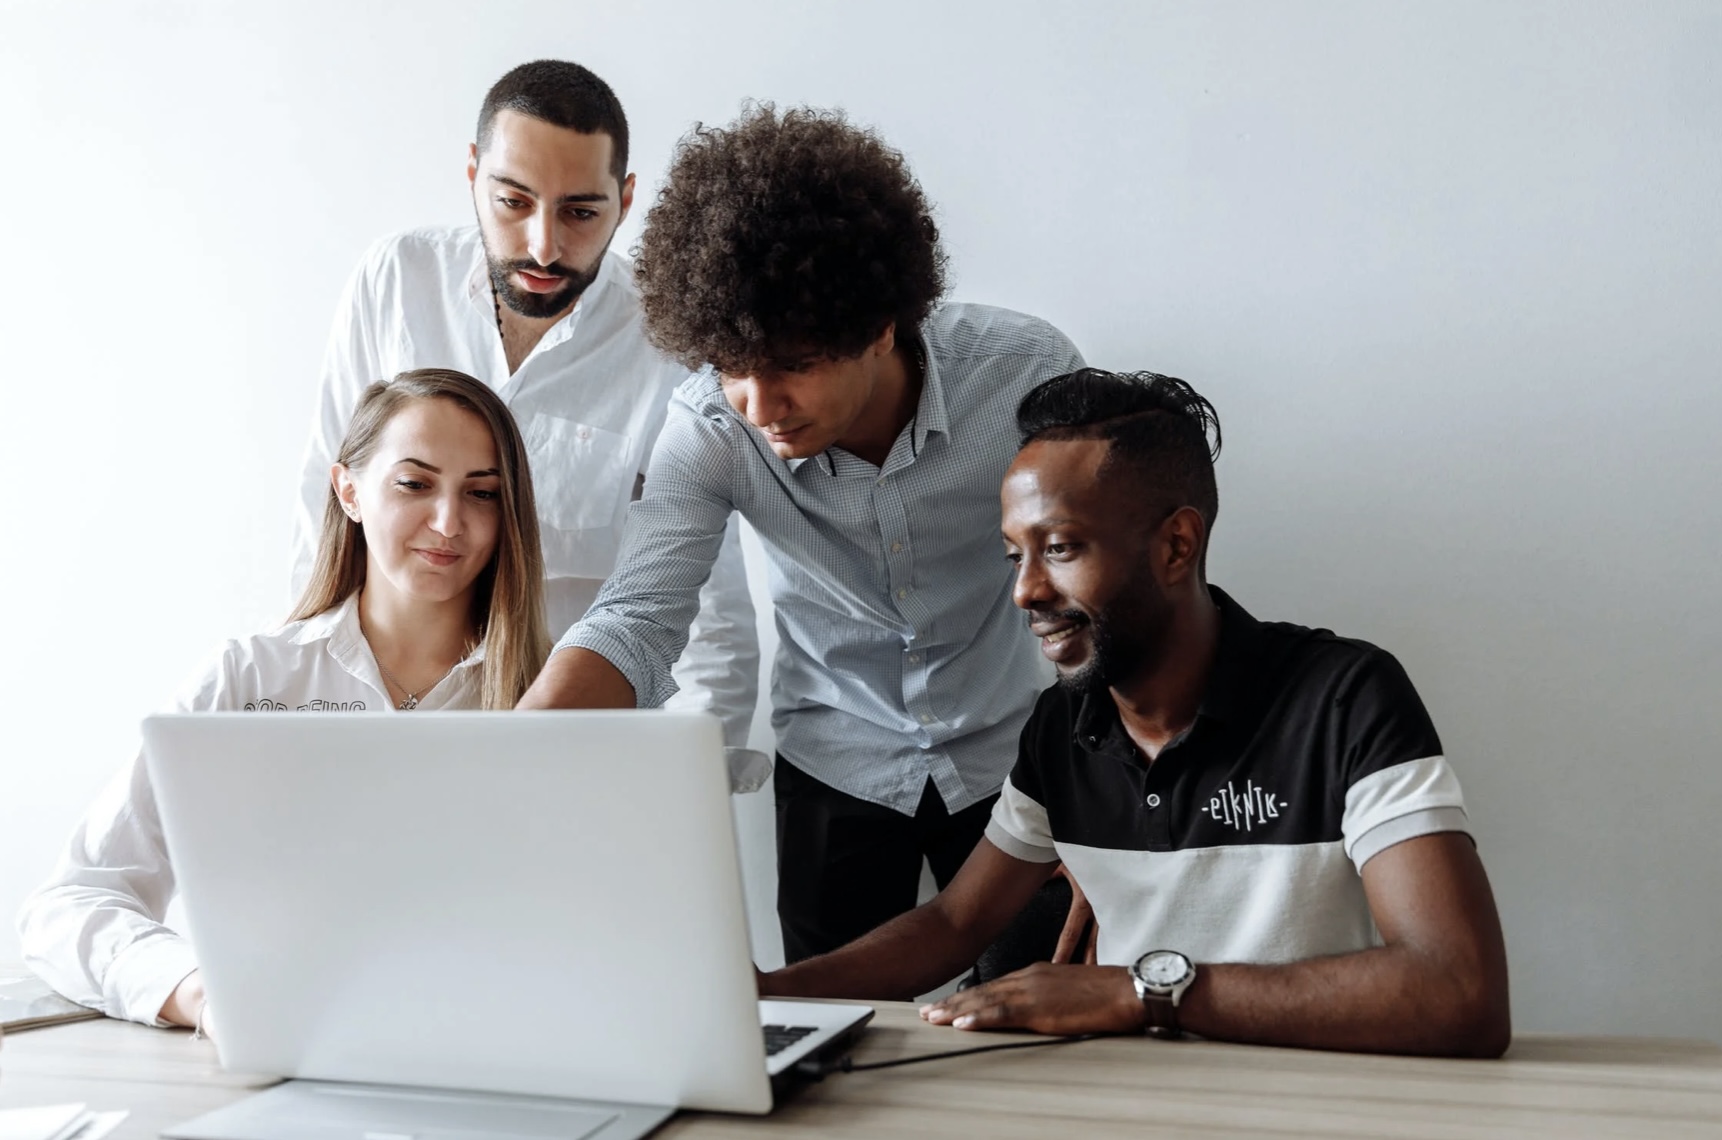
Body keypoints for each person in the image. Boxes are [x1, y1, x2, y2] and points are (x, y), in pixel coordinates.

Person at [758, 369, 1513, 1058]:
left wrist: (1138, 991)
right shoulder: (1060, 728)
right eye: (1013, 555)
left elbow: (1459, 993)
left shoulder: (1346, 698)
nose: (1024, 591)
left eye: (1059, 548)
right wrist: (759, 996)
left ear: (1177, 545)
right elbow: (953, 926)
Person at [518, 104, 1087, 977]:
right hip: (837, 765)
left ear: (879, 324)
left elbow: (1107, 590)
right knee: (832, 1050)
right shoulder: (711, 428)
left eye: (794, 363)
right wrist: (505, 770)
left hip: (1020, 756)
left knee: (1035, 1039)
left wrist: (1120, 804)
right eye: (732, 366)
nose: (759, 403)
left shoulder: (1025, 376)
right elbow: (636, 617)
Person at [20, 369, 548, 1031]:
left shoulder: (551, 697)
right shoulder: (246, 679)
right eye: (414, 483)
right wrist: (201, 996)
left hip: (492, 1043)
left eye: (483, 493)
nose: (448, 521)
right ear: (348, 491)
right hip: (277, 1052)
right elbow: (69, 904)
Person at [291, 59, 762, 787]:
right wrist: (298, 719)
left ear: (626, 199)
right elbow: (324, 518)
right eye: (513, 202)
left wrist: (689, 785)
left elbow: (705, 598)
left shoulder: (668, 337)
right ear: (474, 173)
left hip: (576, 763)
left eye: (580, 212)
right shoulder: (396, 281)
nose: (544, 247)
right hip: (386, 739)